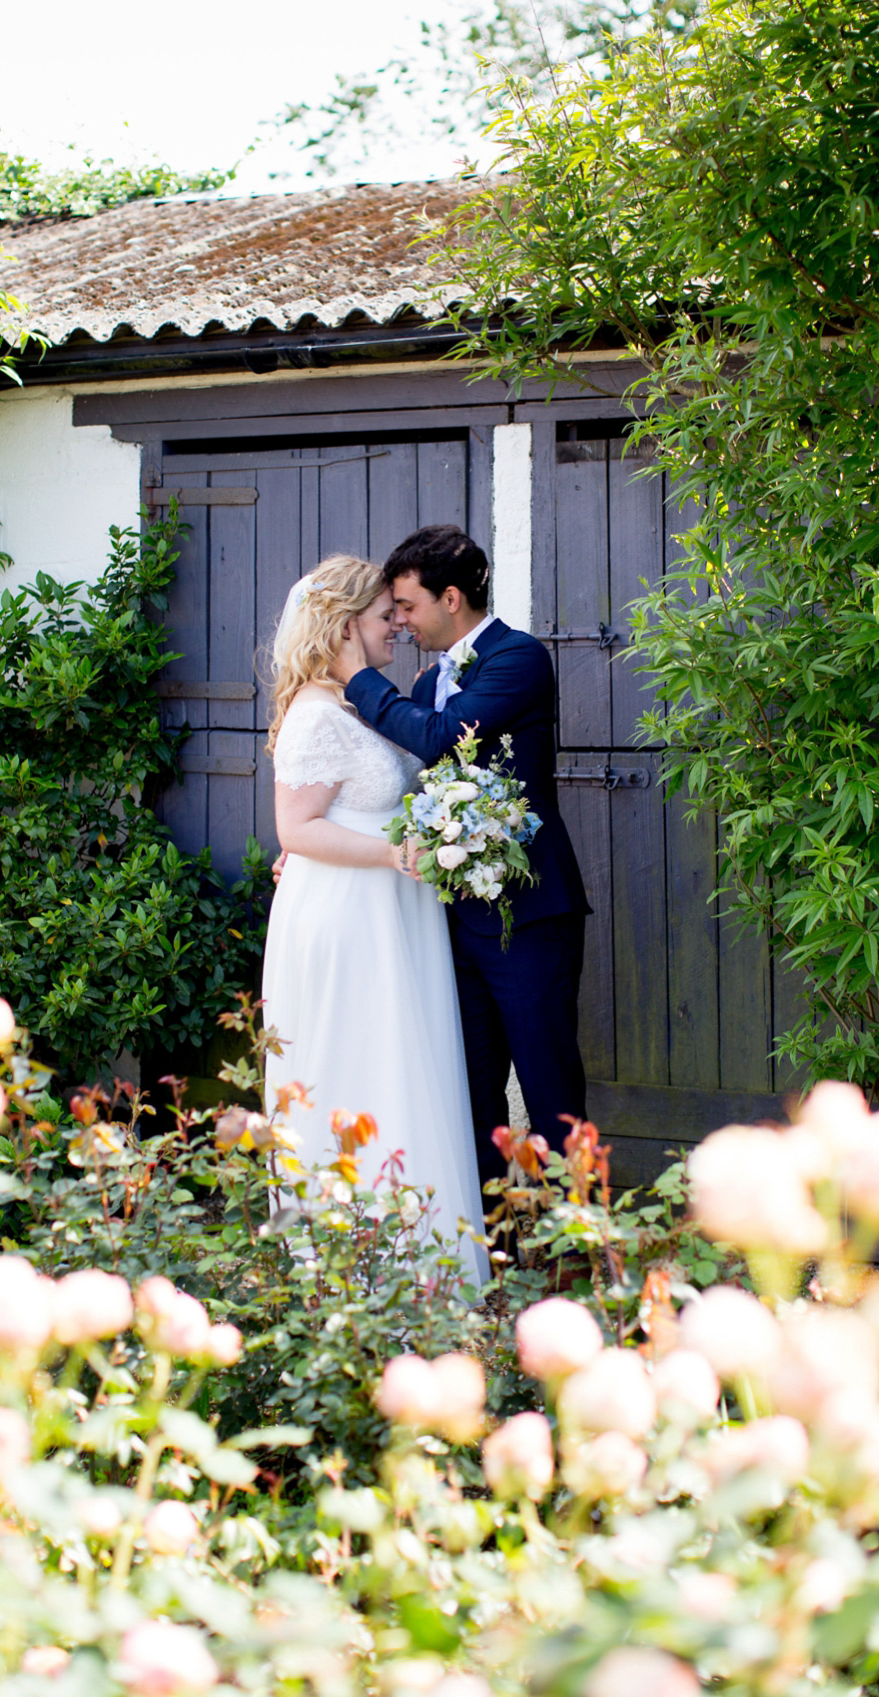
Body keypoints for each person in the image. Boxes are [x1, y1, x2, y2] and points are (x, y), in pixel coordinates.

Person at [332, 524, 591, 1188]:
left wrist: (358, 678)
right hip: (452, 920)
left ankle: (584, 1251)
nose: (403, 622)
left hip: (529, 913)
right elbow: (395, 782)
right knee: (471, 1095)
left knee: (550, 1089)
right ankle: (494, 1251)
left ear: (452, 598)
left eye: (409, 607)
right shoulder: (426, 682)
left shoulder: (519, 659)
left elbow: (445, 737)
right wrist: (313, 849)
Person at [262, 553, 488, 1282]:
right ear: (344, 624)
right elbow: (296, 830)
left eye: (399, 609)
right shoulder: (316, 715)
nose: (398, 622)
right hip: (353, 916)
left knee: (400, 1063)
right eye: (384, 612)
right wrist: (393, 854)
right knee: (361, 1065)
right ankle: (360, 1268)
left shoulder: (355, 705)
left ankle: (417, 1258)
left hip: (388, 914)